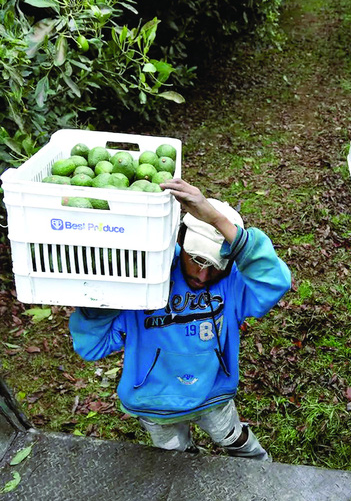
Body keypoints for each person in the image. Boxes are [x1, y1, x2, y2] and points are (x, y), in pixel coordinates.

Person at [69, 178, 291, 459]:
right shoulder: (147, 275)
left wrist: (214, 218)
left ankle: (263, 471)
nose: (202, 276)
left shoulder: (233, 285)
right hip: (154, 402)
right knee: (179, 458)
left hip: (212, 395)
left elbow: (275, 282)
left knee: (236, 441)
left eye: (214, 265)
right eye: (197, 259)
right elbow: (92, 346)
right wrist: (101, 295)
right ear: (180, 239)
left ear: (232, 260)